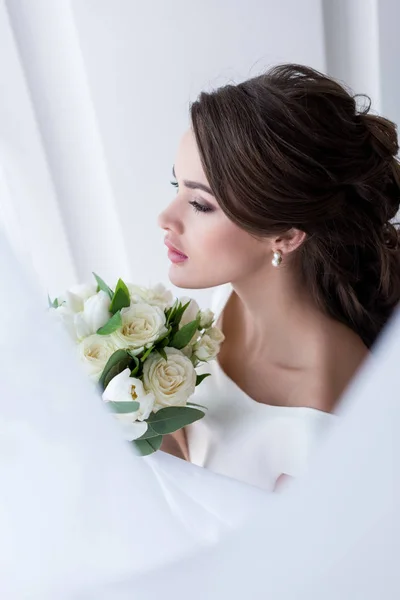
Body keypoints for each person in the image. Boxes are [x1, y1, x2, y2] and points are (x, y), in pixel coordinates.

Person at [158, 64, 400, 490]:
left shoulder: (322, 431)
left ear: (285, 236)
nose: (165, 218)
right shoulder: (225, 301)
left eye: (199, 204)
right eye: (176, 187)